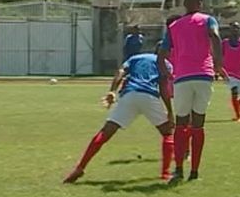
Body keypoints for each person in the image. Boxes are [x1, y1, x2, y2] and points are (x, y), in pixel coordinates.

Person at [63, 52, 175, 184]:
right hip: (149, 95)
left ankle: (80, 167)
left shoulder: (135, 58)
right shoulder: (166, 63)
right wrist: (169, 111)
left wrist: (112, 91)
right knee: (167, 133)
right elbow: (163, 86)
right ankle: (165, 174)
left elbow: (121, 71)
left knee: (105, 132)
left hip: (129, 95)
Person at [158, 0, 225, 183]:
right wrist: (219, 64)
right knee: (198, 124)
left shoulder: (174, 26)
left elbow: (162, 53)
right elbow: (215, 37)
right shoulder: (208, 20)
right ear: (200, 4)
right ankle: (194, 171)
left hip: (182, 78)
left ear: (185, 4)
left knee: (181, 125)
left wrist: (167, 73)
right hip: (204, 75)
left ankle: (178, 168)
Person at [222, 22, 240, 122]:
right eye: (232, 28)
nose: (234, 30)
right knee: (234, 92)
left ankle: (239, 104)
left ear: (239, 29)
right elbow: (219, 57)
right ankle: (238, 116)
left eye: (236, 28)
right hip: (229, 73)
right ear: (229, 30)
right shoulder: (224, 43)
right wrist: (217, 70)